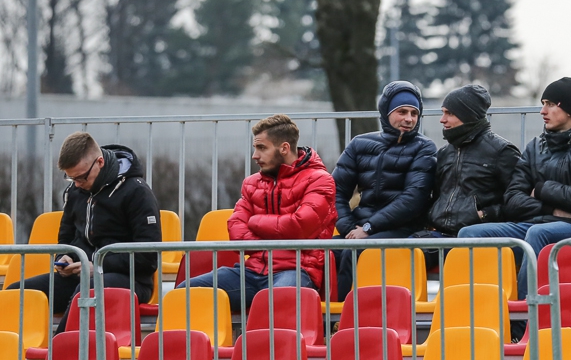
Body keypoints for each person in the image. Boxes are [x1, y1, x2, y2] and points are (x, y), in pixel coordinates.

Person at [458, 77, 571, 300]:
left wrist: (540, 189)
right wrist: (550, 208)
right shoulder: (535, 147)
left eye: (550, 104)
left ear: (569, 109)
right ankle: (481, 309)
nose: (542, 111)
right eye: (543, 104)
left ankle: (526, 315)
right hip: (532, 223)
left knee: (538, 234)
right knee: (469, 234)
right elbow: (512, 199)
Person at [181, 114, 336, 311]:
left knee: (275, 301)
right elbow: (236, 234)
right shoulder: (252, 183)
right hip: (252, 271)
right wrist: (278, 232)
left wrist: (255, 222)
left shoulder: (320, 180)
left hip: (296, 270)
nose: (255, 155)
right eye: (255, 148)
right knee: (185, 292)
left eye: (262, 148)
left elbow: (299, 227)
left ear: (284, 148)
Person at [12, 132, 161, 314]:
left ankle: (66, 334)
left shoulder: (137, 192)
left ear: (100, 162)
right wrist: (64, 258)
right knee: (16, 293)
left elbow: (147, 257)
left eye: (81, 177)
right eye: (71, 178)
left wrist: (98, 266)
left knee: (86, 291)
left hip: (131, 280)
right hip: (81, 276)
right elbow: (66, 238)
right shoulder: (75, 191)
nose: (76, 184)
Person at [333, 81, 436, 300]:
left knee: (355, 252)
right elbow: (335, 192)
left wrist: (369, 227)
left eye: (414, 114)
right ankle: (316, 314)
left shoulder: (424, 148)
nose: (409, 119)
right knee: (323, 253)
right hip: (360, 226)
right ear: (386, 112)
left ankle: (343, 315)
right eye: (402, 112)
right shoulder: (359, 144)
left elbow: (413, 199)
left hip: (402, 227)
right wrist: (348, 228)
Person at [416, 84, 520, 267]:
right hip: (440, 235)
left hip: (476, 237)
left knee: (407, 257)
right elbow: (438, 196)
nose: (442, 119)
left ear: (468, 115)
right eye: (443, 112)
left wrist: (484, 214)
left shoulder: (502, 152)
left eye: (449, 113)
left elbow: (519, 201)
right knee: (396, 254)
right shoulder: (444, 153)